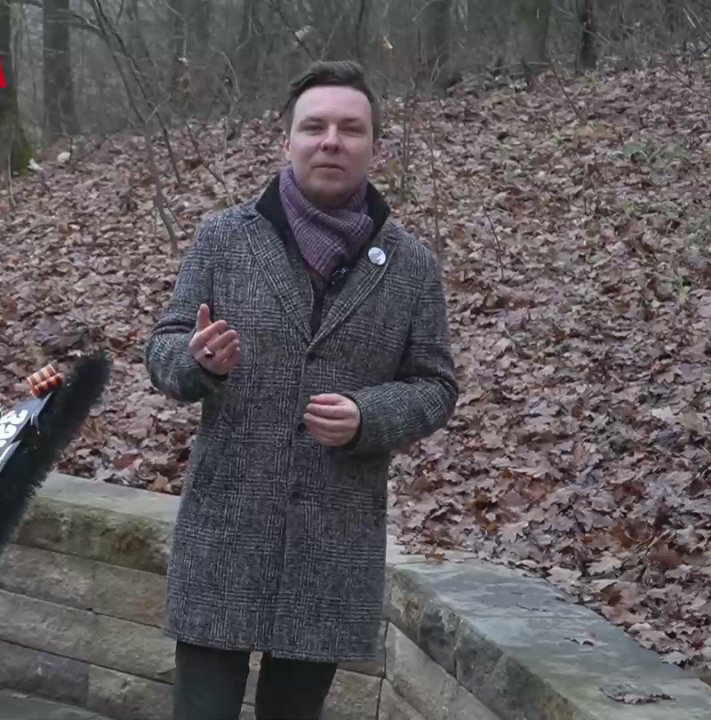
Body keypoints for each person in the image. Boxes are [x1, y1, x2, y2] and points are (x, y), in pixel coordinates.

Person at [143, 60, 459, 720]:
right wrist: (198, 362)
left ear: (374, 145)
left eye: (350, 128)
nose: (331, 141)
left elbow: (435, 386)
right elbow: (163, 350)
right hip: (225, 532)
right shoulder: (224, 238)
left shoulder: (411, 265)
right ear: (287, 139)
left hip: (331, 540)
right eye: (315, 127)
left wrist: (369, 415)